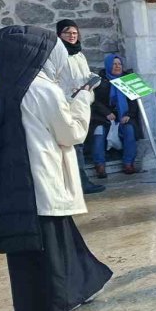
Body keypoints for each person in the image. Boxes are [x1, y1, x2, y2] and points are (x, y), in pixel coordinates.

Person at [0, 26, 112, 311]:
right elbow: (71, 133)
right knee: (51, 253)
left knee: (29, 253)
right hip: (43, 184)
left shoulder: (0, 87)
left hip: (14, 188)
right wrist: (84, 97)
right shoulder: (41, 88)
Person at [55, 19, 104, 195]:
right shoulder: (56, 54)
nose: (72, 36)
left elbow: (84, 74)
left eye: (74, 33)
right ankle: (80, 182)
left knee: (79, 144)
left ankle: (77, 182)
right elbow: (55, 80)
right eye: (67, 33)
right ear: (60, 34)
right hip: (67, 104)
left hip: (82, 103)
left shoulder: (79, 54)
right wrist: (69, 94)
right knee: (74, 144)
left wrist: (93, 79)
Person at [90, 54, 141, 177]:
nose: (117, 66)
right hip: (103, 118)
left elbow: (134, 101)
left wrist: (129, 114)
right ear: (108, 65)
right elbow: (94, 101)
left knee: (129, 129)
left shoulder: (127, 80)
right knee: (99, 131)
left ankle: (128, 163)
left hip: (124, 117)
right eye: (114, 64)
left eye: (119, 64)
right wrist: (106, 113)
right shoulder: (100, 81)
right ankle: (100, 165)